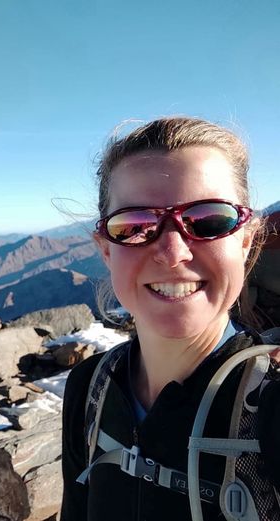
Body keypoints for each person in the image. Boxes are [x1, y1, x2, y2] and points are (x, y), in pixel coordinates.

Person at [60, 116, 280, 520]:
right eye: (135, 226)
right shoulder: (89, 388)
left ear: (246, 240)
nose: (173, 252)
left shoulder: (272, 405)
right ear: (106, 250)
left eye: (210, 220)